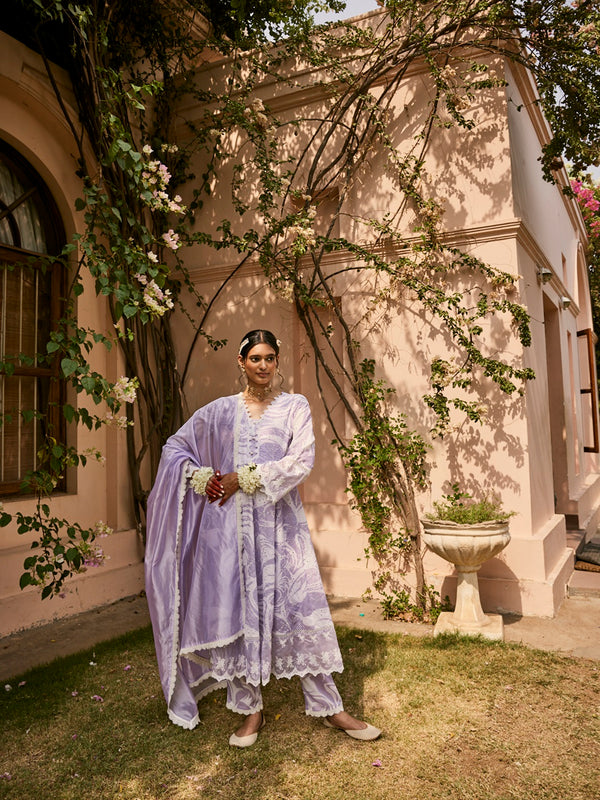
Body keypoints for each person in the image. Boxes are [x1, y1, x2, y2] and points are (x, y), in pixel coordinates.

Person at [145, 329, 381, 746]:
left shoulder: (294, 407)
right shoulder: (219, 412)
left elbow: (301, 460)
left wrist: (245, 477)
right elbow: (175, 448)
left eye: (270, 357)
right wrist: (201, 478)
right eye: (255, 358)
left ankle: (331, 707)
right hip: (232, 533)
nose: (263, 365)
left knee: (299, 610)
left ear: (276, 362)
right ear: (241, 362)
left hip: (281, 528)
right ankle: (250, 711)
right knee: (242, 613)